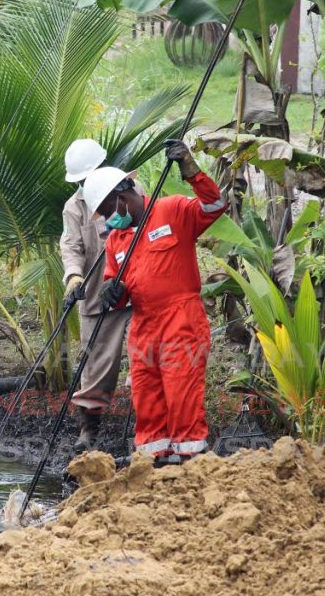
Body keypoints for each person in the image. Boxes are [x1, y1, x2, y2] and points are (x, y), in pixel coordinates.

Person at [81, 140, 226, 464]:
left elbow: (215, 206)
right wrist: (111, 294)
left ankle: (191, 461)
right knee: (147, 398)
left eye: (107, 212)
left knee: (181, 394)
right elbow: (114, 285)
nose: (107, 220)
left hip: (181, 319)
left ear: (122, 197)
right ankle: (154, 461)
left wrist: (191, 169)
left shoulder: (172, 210)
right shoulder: (116, 240)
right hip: (144, 326)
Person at [59, 139, 133, 452]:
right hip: (96, 301)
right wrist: (74, 276)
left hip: (136, 293)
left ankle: (142, 430)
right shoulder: (74, 207)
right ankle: (88, 431)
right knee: (95, 369)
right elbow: (71, 246)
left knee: (145, 363)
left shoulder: (130, 191)